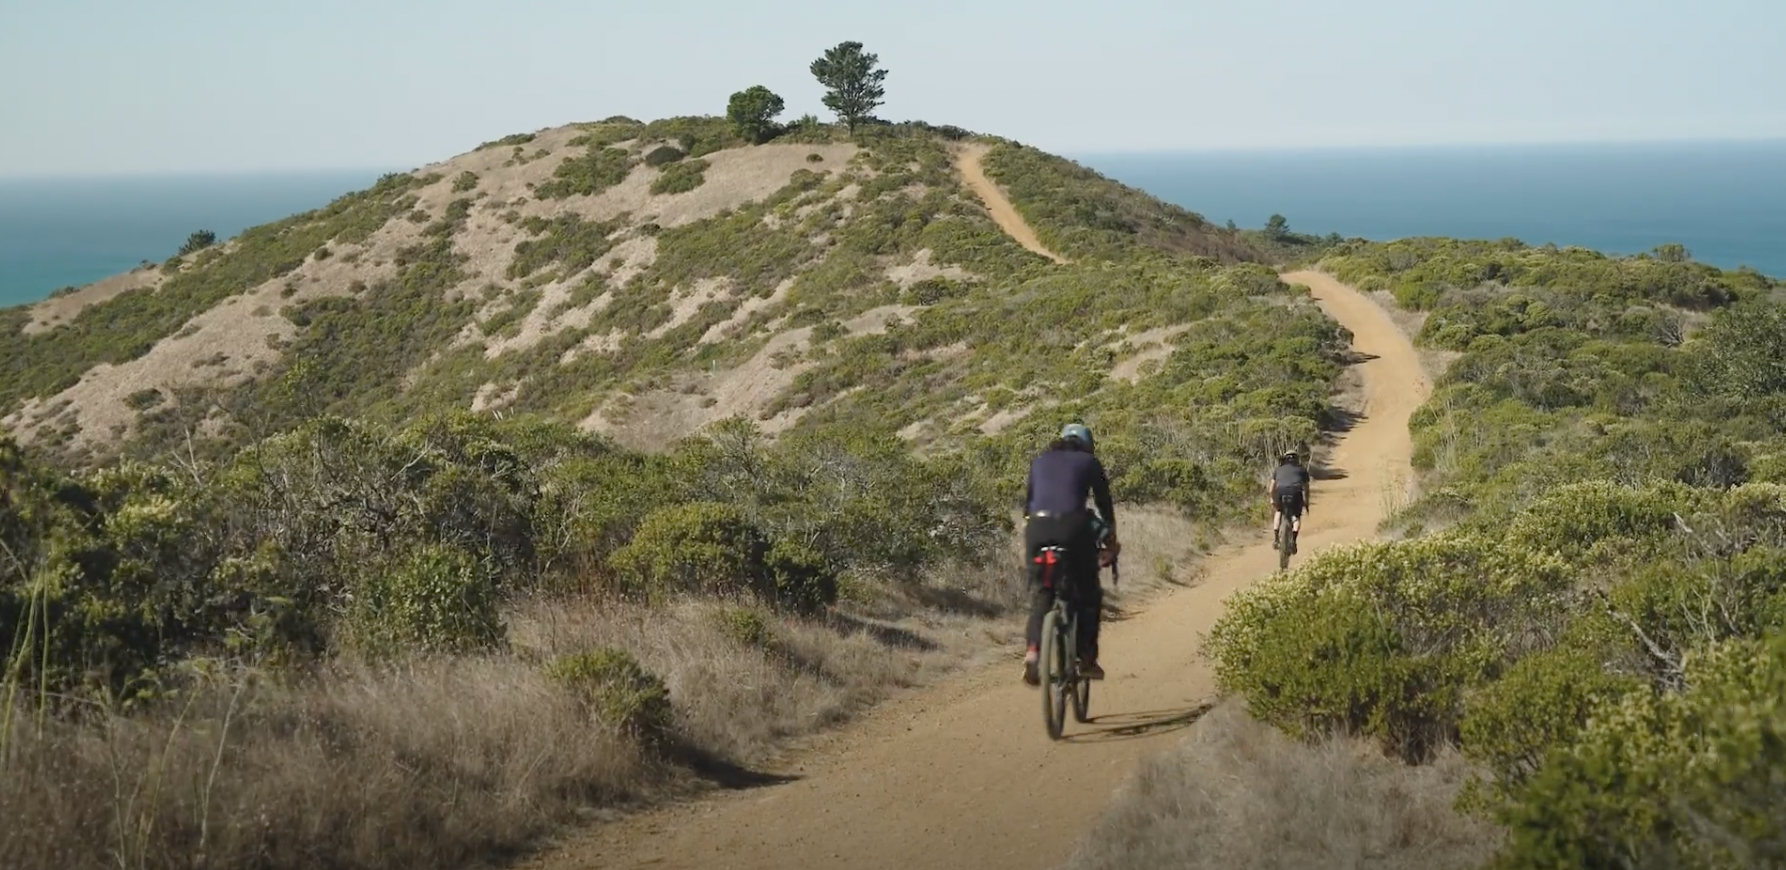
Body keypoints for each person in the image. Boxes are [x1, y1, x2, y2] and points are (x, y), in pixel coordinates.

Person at [1021, 423, 1120, 686]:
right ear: (1087, 445)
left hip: (1036, 528)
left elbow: (1028, 504)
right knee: (1089, 593)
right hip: (1072, 528)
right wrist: (1110, 536)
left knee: (1042, 593)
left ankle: (1032, 653)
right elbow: (1103, 503)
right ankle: (1086, 658)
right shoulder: (1089, 461)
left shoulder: (1040, 461)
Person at [1269, 450, 1311, 552]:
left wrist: (1272, 499)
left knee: (1279, 511)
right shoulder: (1302, 470)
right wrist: (1306, 503)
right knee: (1296, 517)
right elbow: (1306, 488)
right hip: (1295, 492)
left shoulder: (1278, 469)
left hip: (1281, 491)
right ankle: (1293, 541)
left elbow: (1271, 489)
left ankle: (1275, 538)